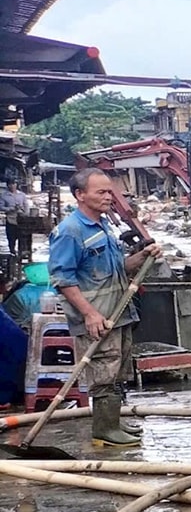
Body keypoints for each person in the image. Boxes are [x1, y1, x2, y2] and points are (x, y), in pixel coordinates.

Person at [47, 169, 141, 447]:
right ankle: (104, 430)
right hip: (96, 317)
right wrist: (89, 313)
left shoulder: (104, 226)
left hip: (118, 312)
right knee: (103, 372)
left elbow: (118, 268)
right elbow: (62, 279)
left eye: (109, 191)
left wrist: (142, 257)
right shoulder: (70, 231)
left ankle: (113, 421)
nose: (108, 197)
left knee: (118, 370)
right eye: (101, 192)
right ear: (80, 195)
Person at [0, 177, 31, 262]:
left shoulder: (22, 195)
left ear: (16, 185)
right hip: (11, 219)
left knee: (22, 237)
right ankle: (12, 253)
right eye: (10, 184)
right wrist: (10, 209)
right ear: (8, 185)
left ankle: (21, 254)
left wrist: (26, 214)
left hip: (21, 219)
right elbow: (1, 207)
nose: (12, 186)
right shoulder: (4, 196)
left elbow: (26, 205)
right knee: (11, 238)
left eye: (14, 184)